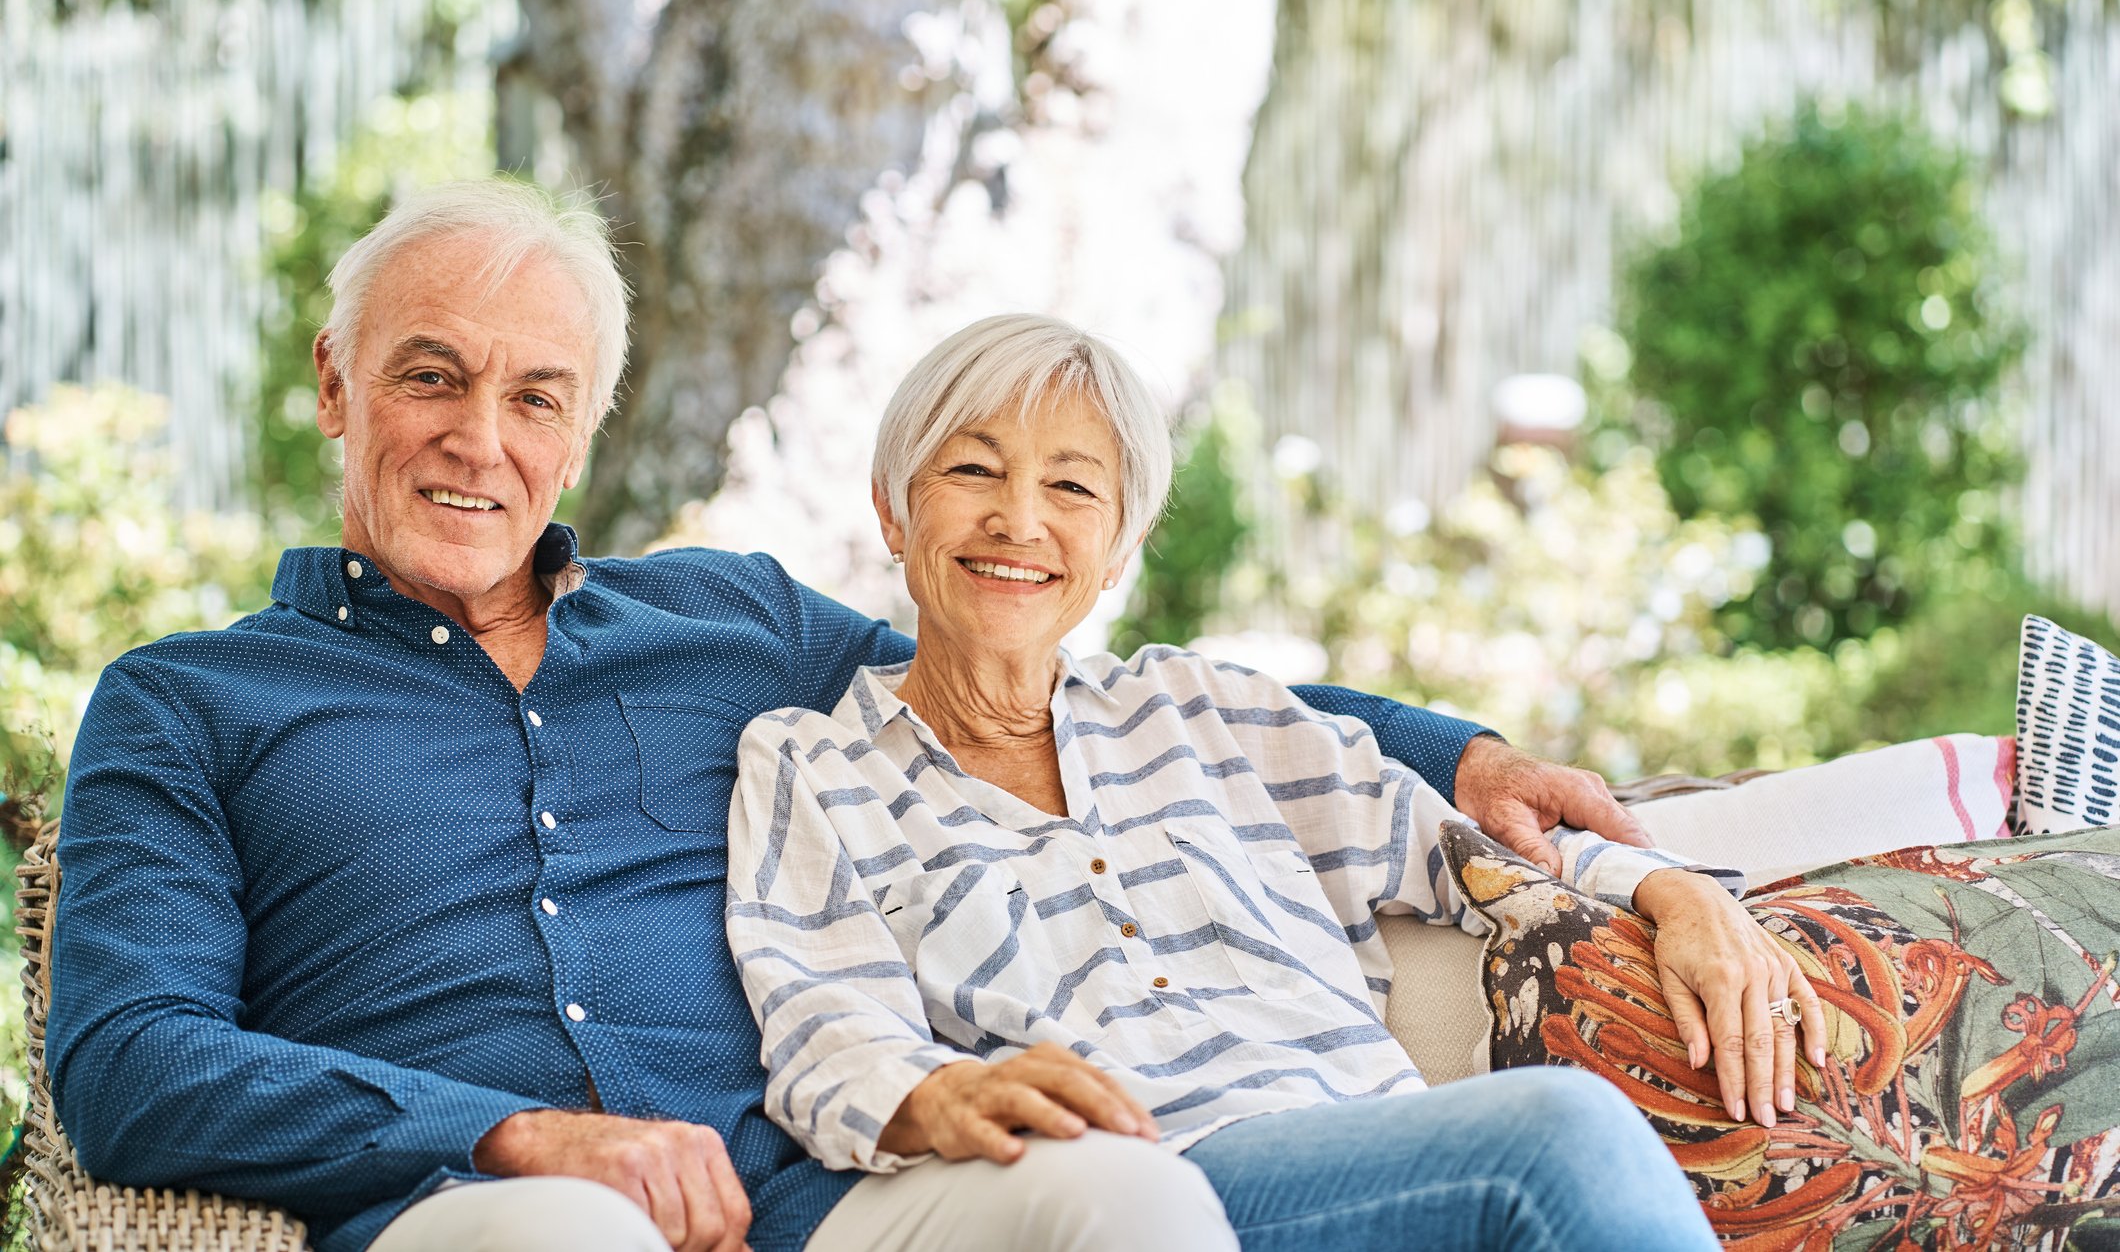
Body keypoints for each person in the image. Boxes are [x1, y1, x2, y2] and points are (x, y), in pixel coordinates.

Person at [48, 179, 1664, 1252]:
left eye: (535, 394)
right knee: (576, 1237)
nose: (481, 438)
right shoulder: (190, 702)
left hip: (809, 1199)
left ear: (585, 428)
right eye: (429, 376)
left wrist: (1461, 755)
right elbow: (129, 1056)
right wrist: (519, 1132)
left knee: (1130, 1197)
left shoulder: (727, 619)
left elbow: (1027, 657)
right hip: (473, 1202)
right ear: (335, 386)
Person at [726, 314, 1833, 1251]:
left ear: (1117, 550)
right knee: (1560, 1135)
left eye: (1072, 486)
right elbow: (826, 1033)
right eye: (972, 470)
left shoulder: (1199, 711)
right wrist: (939, 1096)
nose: (1019, 520)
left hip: (1365, 1149)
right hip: (1138, 1189)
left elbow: (1463, 854)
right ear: (891, 507)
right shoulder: (811, 762)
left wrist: (1674, 892)